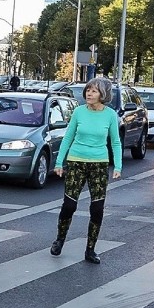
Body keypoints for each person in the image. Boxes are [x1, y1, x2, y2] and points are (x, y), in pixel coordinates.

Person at [50, 77, 122, 264]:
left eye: (94, 91)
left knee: (97, 209)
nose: (89, 93)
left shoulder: (110, 115)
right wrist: (59, 163)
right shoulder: (79, 112)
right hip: (76, 162)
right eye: (88, 90)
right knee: (69, 205)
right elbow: (68, 137)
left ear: (103, 94)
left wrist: (118, 166)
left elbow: (115, 141)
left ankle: (90, 249)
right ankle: (60, 239)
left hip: (99, 164)